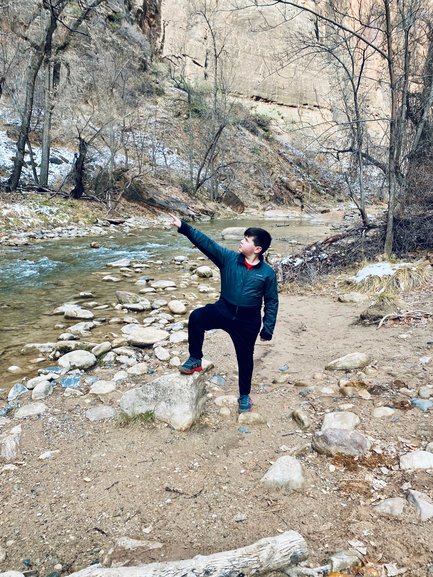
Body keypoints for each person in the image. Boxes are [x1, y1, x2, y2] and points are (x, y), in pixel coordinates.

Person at [170, 215, 279, 412]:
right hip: (223, 309)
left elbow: (271, 302)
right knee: (197, 317)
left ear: (257, 249)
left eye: (246, 239)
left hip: (248, 321)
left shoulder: (267, 273)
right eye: (243, 237)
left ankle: (244, 396)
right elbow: (207, 243)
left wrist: (267, 327)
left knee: (245, 358)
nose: (241, 240)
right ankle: (195, 359)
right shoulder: (228, 259)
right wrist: (184, 227)